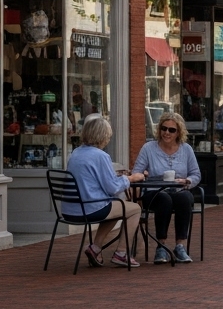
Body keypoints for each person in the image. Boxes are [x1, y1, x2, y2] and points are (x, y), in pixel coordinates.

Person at [67, 117, 143, 268]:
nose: (108, 139)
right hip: (89, 208)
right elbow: (113, 188)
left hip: (70, 209)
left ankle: (95, 248)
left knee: (116, 206)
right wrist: (132, 178)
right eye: (108, 136)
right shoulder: (101, 156)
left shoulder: (75, 153)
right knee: (134, 209)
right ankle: (121, 253)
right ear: (103, 136)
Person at [131, 112, 201, 263]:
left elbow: (196, 174)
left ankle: (180, 246)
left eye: (171, 130)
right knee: (164, 200)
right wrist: (142, 174)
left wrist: (187, 181)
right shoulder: (148, 148)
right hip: (154, 193)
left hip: (177, 190)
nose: (166, 133)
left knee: (185, 197)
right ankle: (160, 246)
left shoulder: (186, 149)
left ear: (179, 132)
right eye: (164, 128)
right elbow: (135, 172)